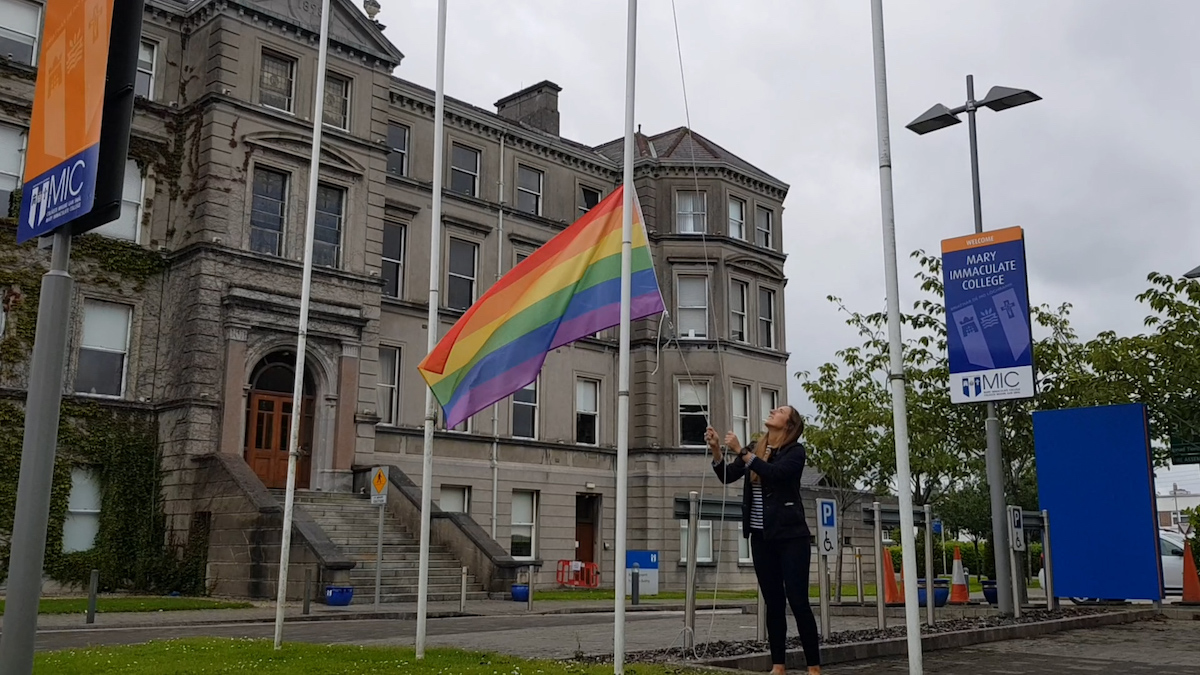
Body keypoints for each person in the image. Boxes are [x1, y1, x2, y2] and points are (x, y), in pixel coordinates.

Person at [707, 405, 821, 675]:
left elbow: (777, 475)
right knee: (773, 602)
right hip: (761, 537)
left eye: (780, 410)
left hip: (791, 537)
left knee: (798, 600)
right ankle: (778, 666)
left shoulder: (795, 452)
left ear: (789, 424)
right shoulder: (755, 447)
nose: (772, 410)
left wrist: (741, 452)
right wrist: (716, 450)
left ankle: (813, 667)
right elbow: (727, 476)